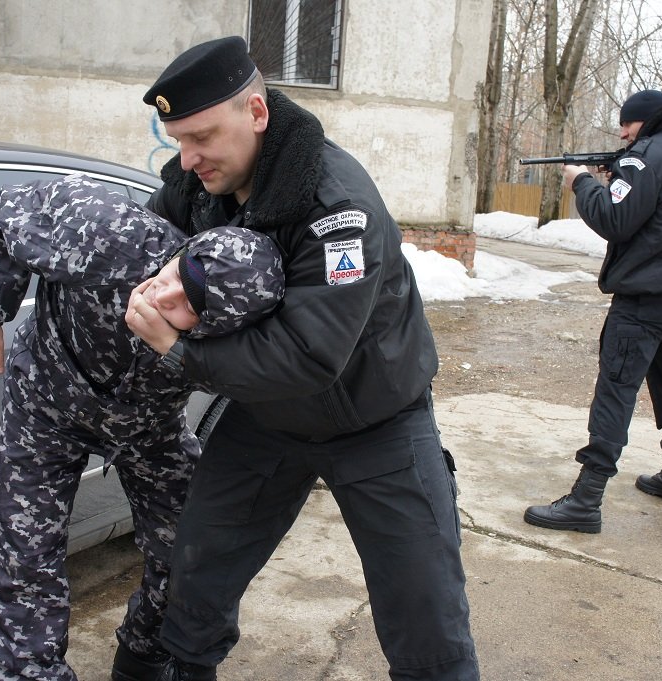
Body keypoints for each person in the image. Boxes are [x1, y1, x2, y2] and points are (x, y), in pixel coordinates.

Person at [122, 36, 479, 681]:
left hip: (376, 424)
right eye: (176, 139)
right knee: (196, 572)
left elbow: (310, 358)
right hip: (267, 421)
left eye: (201, 136)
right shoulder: (202, 182)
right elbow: (139, 240)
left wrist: (179, 350)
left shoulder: (335, 207)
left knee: (425, 613)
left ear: (257, 113)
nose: (187, 157)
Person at [0, 172, 285, 681]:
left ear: (218, 330)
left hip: (148, 427)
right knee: (27, 560)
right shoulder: (111, 233)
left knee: (193, 552)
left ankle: (143, 654)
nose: (163, 293)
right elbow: (7, 212)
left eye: (188, 305)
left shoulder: (232, 349)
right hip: (46, 406)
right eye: (181, 271)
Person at [523, 89, 662, 534]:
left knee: (617, 388)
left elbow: (614, 219)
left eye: (628, 125)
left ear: (647, 121)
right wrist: (618, 174)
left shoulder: (645, 156)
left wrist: (581, 182)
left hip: (642, 298)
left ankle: (586, 499)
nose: (622, 133)